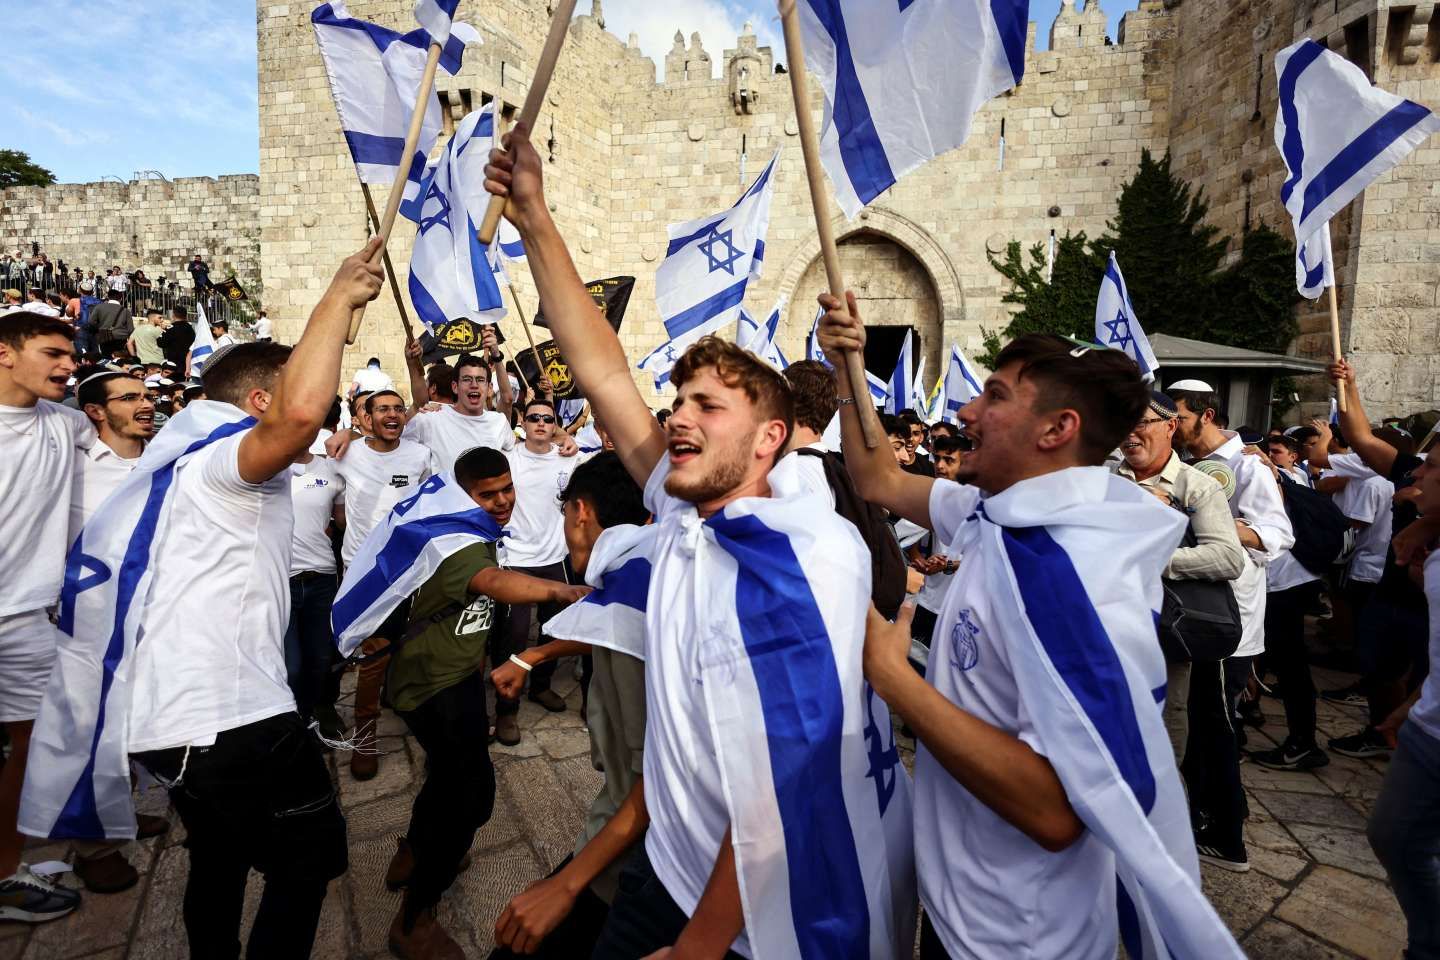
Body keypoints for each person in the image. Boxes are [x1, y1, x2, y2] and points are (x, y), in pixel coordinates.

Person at [486, 125, 916, 959]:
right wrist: (535, 217)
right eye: (678, 399)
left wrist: (698, 947)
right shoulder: (691, 513)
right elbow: (606, 373)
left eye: (708, 406)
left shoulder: (799, 562)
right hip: (673, 864)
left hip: (759, 913)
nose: (677, 414)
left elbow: (788, 785)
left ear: (770, 441)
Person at [817, 299, 1240, 957]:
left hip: (1017, 936)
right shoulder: (993, 515)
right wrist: (847, 370)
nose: (965, 414)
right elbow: (876, 476)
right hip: (962, 907)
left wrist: (893, 679)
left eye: (995, 396)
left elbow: (1054, 813)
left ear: (1056, 429)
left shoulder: (1074, 582)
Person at [25, 241, 385, 959]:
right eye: (283, 389)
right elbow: (298, 416)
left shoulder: (181, 459)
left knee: (218, 860)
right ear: (258, 401)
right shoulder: (225, 459)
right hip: (231, 716)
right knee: (310, 859)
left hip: (170, 723)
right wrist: (335, 297)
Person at [380, 446, 589, 959]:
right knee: (471, 799)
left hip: (454, 679)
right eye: (487, 494)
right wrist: (562, 593)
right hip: (431, 686)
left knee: (449, 777)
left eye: (507, 489)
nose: (501, 502)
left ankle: (411, 852)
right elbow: (495, 583)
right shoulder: (460, 544)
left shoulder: (475, 530)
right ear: (465, 494)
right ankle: (414, 918)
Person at [490, 452, 653, 959]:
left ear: (580, 511)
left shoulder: (630, 602)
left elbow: (660, 782)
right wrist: (538, 653)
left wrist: (567, 886)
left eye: (564, 517)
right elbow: (606, 624)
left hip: (636, 850)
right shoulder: (644, 569)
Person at [1167, 379, 1293, 868]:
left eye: (1178, 415)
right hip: (1191, 618)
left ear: (1208, 414)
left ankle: (1226, 836)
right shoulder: (1190, 466)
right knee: (1199, 724)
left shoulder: (1249, 467)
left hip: (1228, 621)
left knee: (1217, 727)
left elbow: (1276, 535)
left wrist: (1207, 517)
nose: (1173, 425)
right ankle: (1216, 813)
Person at [0, 312, 91, 922]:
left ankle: (6, 873)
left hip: (27, 619)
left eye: (72, 354)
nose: (68, 365)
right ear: (5, 353)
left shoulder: (68, 421)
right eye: (54, 353)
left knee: (31, 747)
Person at [64, 370, 169, 893]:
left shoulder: (166, 459)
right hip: (90, 625)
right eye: (129, 398)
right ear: (95, 413)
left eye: (147, 396)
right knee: (90, 736)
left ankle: (119, 814)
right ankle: (93, 848)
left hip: (157, 618)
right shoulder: (74, 470)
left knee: (131, 728)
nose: (145, 405)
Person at [1113, 392, 1247, 777]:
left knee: (1163, 714)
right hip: (1104, 627)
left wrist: (1152, 560)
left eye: (1140, 423)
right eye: (1123, 425)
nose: (1130, 435)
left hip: (1163, 631)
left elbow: (1228, 557)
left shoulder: (1196, 486)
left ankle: (1158, 805)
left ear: (1170, 426)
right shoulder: (1102, 481)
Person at [1325, 360, 1430, 760]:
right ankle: (1380, 731)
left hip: (1427, 607)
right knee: (1378, 669)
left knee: (1422, 678)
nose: (1420, 473)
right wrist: (1347, 386)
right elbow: (1361, 436)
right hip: (1390, 594)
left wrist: (1427, 516)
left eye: (1432, 466)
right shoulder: (1410, 470)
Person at [333, 388, 439, 780]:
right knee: (373, 655)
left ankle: (427, 728)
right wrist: (345, 434)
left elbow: (429, 502)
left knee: (417, 647)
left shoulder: (419, 455)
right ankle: (365, 736)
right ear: (367, 417)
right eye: (382, 409)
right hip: (366, 573)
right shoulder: (347, 454)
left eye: (397, 408)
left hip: (411, 568)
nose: (392, 415)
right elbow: (336, 505)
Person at [1365, 444, 1440, 960]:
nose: (1418, 472)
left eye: (1432, 465)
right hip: (1427, 728)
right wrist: (1415, 701)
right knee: (1395, 838)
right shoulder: (1430, 549)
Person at [492, 397, 578, 742]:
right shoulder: (508, 460)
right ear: (522, 423)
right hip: (515, 558)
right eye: (533, 417)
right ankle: (506, 710)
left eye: (547, 418)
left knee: (554, 630)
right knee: (511, 637)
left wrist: (568, 440)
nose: (540, 423)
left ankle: (540, 686)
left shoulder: (570, 459)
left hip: (555, 559)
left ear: (555, 424)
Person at [286, 400, 347, 740]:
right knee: (291, 664)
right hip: (280, 580)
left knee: (321, 656)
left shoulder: (331, 471)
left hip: (322, 576)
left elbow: (341, 522)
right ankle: (296, 720)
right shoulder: (270, 469)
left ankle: (321, 711)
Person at [90, 290, 131, 358]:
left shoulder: (99, 307)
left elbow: (91, 322)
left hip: (104, 336)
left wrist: (99, 329)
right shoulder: (125, 311)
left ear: (108, 297)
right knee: (119, 358)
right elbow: (130, 329)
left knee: (106, 357)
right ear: (120, 298)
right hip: (120, 338)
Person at [158, 305, 195, 372]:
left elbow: (161, 343)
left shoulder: (170, 328)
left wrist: (162, 331)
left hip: (173, 362)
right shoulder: (190, 329)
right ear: (185, 315)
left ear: (173, 315)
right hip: (187, 363)